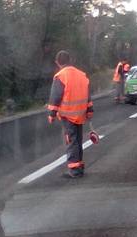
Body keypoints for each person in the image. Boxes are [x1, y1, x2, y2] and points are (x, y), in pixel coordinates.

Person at [47, 50, 93, 178]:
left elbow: (55, 97)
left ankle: (74, 170)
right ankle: (79, 165)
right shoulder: (82, 75)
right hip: (80, 114)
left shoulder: (60, 76)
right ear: (70, 60)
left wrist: (52, 114)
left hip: (68, 115)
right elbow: (87, 95)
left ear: (57, 62)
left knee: (71, 141)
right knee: (77, 140)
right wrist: (90, 110)